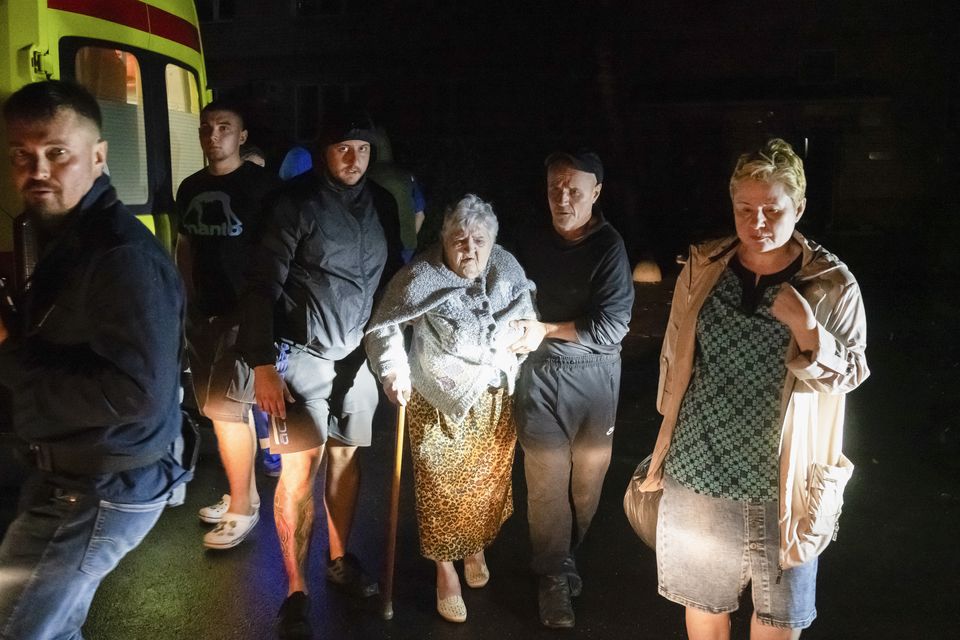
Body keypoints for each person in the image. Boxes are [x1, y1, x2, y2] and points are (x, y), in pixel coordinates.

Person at [640, 139, 869, 639]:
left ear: (799, 208)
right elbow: (676, 352)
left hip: (783, 482)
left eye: (772, 209)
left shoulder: (831, 284)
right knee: (704, 610)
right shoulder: (704, 265)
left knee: (777, 623)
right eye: (745, 208)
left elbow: (850, 374)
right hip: (698, 469)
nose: (757, 222)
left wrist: (811, 333)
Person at [0, 80, 190, 638]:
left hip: (100, 487)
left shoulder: (120, 256)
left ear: (99, 157)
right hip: (78, 471)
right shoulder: (68, 237)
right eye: (22, 156)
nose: (38, 170)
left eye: (57, 153)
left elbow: (136, 392)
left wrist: (8, 353)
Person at [237, 109, 402, 638]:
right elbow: (261, 283)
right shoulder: (295, 203)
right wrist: (263, 363)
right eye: (342, 149)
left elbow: (393, 279)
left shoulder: (380, 202)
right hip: (299, 354)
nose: (353, 159)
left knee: (348, 456)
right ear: (324, 151)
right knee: (298, 469)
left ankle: (338, 558)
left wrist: (392, 351)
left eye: (362, 149)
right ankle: (294, 589)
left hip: (359, 356)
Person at [366, 194, 537, 623]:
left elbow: (526, 309)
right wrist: (393, 371)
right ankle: (446, 570)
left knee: (483, 483)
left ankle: (474, 546)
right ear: (444, 239)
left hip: (495, 398)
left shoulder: (505, 265)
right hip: (438, 399)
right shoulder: (421, 275)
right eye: (460, 239)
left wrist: (526, 334)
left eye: (479, 239)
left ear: (492, 240)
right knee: (441, 490)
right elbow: (384, 327)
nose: (470, 249)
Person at [509, 150, 634, 628]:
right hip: (539, 373)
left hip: (595, 375)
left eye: (574, 190)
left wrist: (544, 328)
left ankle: (565, 554)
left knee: (586, 483)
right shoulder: (531, 238)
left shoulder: (609, 247)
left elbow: (612, 327)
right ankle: (554, 576)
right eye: (555, 188)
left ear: (596, 193)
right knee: (545, 480)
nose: (563, 198)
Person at [176, 99, 282, 549]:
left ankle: (243, 507)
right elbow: (185, 246)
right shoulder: (189, 187)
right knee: (217, 410)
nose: (213, 135)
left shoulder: (263, 187)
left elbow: (280, 251)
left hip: (246, 313)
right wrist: (185, 300)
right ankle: (243, 492)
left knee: (228, 411)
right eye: (206, 127)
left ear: (241, 137)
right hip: (205, 313)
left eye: (224, 127)